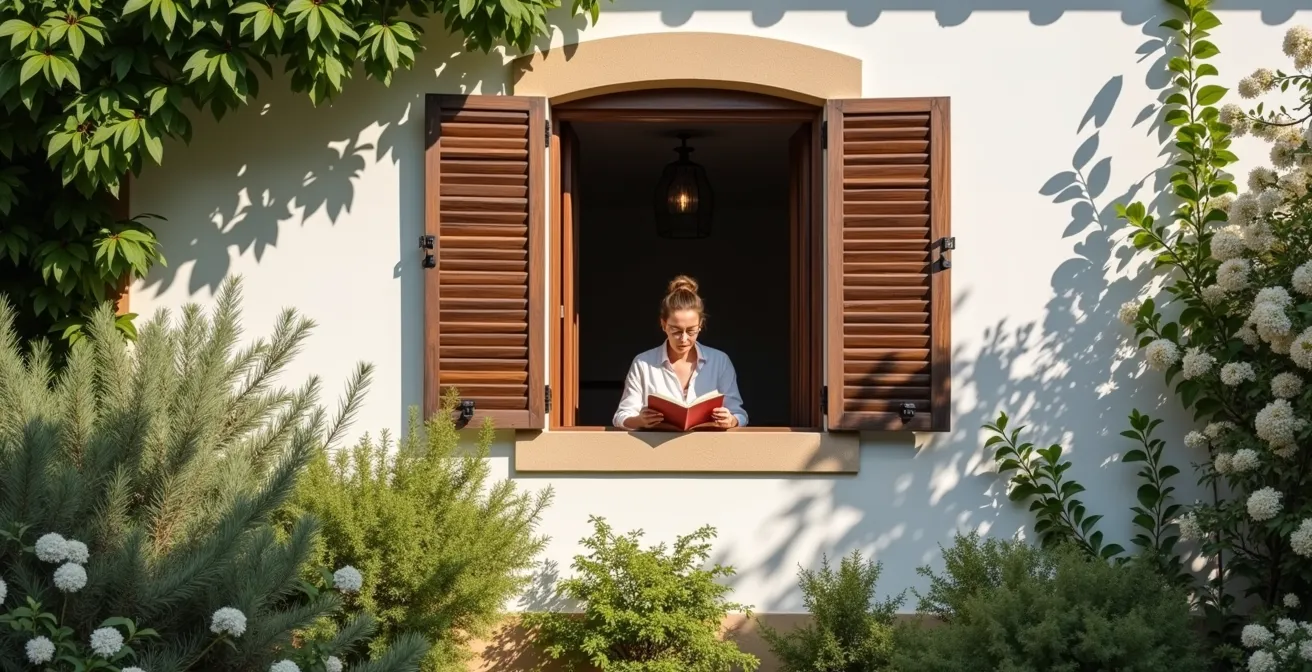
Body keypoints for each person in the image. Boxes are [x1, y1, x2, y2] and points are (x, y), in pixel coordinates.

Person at [613, 276, 748, 430]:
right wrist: (639, 420)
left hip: (708, 449)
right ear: (663, 324)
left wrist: (731, 420)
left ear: (701, 325)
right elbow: (621, 415)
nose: (684, 339)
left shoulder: (719, 361)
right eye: (676, 330)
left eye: (691, 330)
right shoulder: (643, 363)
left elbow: (739, 414)